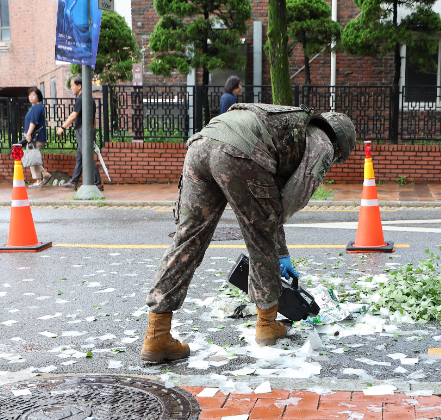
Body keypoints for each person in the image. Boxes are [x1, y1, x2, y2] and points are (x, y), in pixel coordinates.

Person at [141, 103, 356, 362]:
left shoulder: (288, 127)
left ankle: (156, 336)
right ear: (340, 144)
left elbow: (274, 195)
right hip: (236, 152)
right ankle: (266, 324)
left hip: (201, 144)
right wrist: (274, 246)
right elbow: (290, 200)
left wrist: (282, 248)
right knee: (260, 239)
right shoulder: (323, 142)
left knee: (187, 240)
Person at [56, 77, 103, 191]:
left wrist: (62, 127)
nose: (71, 88)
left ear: (79, 86)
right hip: (87, 129)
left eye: (72, 85)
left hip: (83, 130)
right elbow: (94, 118)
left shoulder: (82, 99)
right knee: (80, 157)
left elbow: (73, 115)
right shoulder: (89, 98)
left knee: (87, 156)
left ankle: (97, 183)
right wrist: (93, 131)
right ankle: (74, 182)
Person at [24, 87, 52, 188]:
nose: (31, 97)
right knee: (33, 158)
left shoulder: (36, 107)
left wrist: (28, 134)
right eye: (29, 95)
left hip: (35, 138)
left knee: (32, 158)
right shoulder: (37, 107)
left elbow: (33, 122)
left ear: (38, 96)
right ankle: (41, 178)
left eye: (33, 95)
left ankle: (42, 176)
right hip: (37, 137)